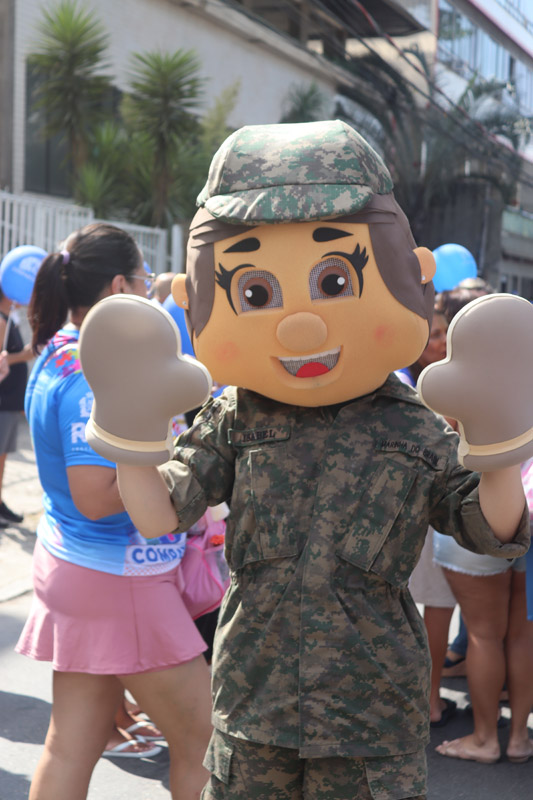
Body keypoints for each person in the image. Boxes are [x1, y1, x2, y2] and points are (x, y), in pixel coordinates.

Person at [82, 122, 529, 799]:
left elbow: (487, 531)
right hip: (253, 704)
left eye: (332, 279)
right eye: (254, 291)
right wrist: (129, 437)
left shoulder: (410, 423)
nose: (301, 323)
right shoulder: (238, 415)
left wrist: (500, 450)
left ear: (412, 273)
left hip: (370, 718)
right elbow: (159, 514)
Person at [15, 223, 212, 800]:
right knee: (204, 742)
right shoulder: (92, 376)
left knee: (69, 745)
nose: (152, 294)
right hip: (119, 579)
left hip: (78, 570)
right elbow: (95, 497)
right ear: (120, 284)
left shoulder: (60, 352)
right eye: (146, 281)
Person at [431, 280, 533, 764]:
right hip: (524, 511)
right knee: (520, 633)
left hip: (473, 515)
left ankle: (486, 738)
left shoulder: (452, 383)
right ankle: (518, 739)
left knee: (483, 634)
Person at [399, 307, 458, 727]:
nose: (440, 342)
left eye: (444, 333)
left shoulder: (429, 383)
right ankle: (431, 700)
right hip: (427, 514)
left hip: (425, 511)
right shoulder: (418, 390)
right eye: (432, 335)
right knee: (434, 607)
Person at [0, 287, 34, 526]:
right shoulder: (0, 320)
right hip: (2, 404)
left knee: (3, 459)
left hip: (10, 404)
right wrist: (25, 355)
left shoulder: (9, 318)